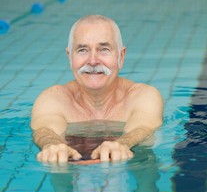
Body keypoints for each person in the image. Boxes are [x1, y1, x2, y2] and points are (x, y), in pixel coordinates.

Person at [31, 15, 163, 163]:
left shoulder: (143, 96)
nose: (93, 61)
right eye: (82, 50)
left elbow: (143, 128)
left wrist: (122, 143)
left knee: (146, 163)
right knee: (58, 167)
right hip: (71, 170)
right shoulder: (53, 99)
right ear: (70, 57)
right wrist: (52, 144)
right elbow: (45, 130)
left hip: (134, 163)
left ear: (121, 56)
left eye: (104, 49)